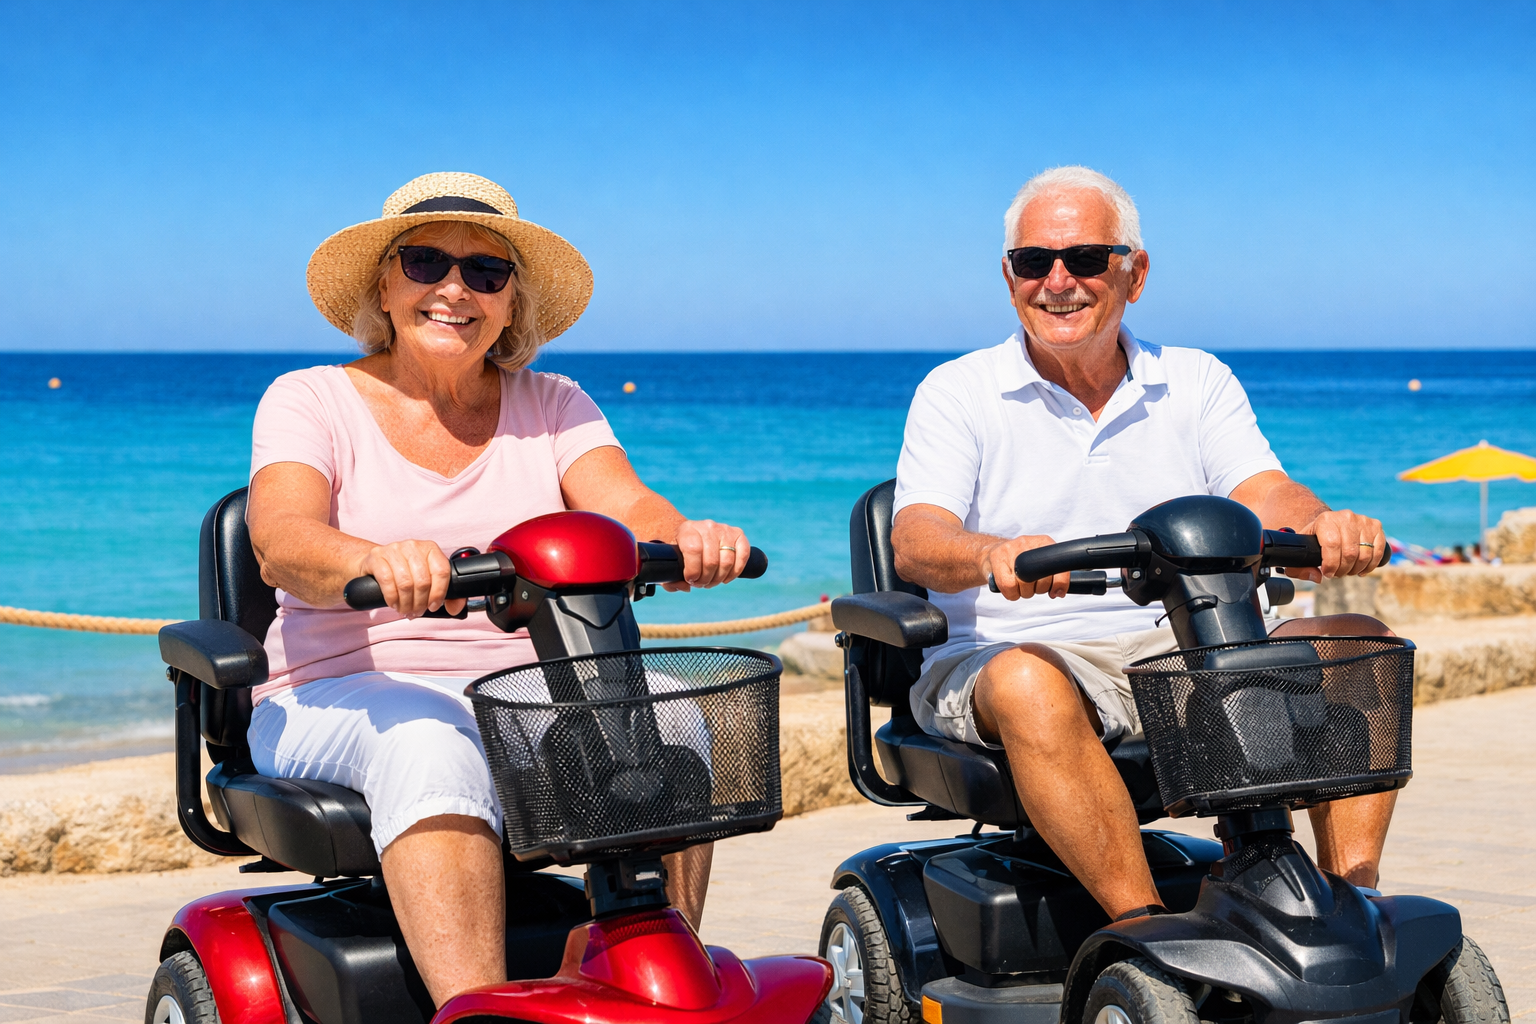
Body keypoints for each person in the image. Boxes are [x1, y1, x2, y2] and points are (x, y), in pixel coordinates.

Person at [245, 172, 751, 1003]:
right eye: (426, 262)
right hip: (338, 690)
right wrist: (378, 560)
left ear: (513, 302)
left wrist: (683, 535)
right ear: (384, 281)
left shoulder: (553, 402)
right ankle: (472, 1009)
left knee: (674, 716)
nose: (455, 289)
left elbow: (627, 503)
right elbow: (283, 541)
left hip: (521, 688)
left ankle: (648, 983)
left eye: (486, 273)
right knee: (432, 746)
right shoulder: (312, 398)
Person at [892, 166, 1396, 922]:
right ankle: (1142, 932)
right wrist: (989, 554)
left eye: (1086, 259)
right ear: (1009, 276)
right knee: (1031, 684)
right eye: (1035, 262)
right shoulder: (957, 392)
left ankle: (1351, 904)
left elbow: (1263, 490)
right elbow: (917, 539)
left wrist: (1321, 522)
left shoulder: (1195, 381)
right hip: (1017, 655)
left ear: (1136, 272)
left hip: (1179, 649)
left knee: (1360, 643)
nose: (1058, 281)